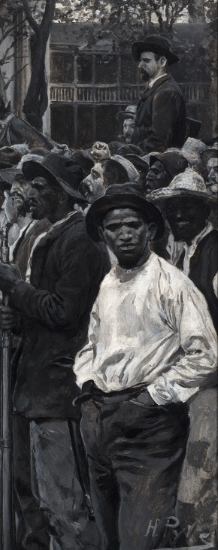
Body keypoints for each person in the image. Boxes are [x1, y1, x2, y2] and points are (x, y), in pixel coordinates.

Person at [75, 183, 217, 550]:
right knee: (108, 532)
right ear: (103, 234)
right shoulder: (108, 282)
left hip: (150, 430)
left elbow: (205, 355)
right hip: (101, 420)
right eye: (114, 227)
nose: (124, 235)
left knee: (140, 538)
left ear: (150, 230)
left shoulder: (173, 284)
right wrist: (88, 387)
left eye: (133, 225)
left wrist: (151, 398)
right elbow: (92, 343)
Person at [0, 153, 110, 550]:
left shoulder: (80, 240)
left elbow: (63, 312)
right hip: (41, 382)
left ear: (63, 195)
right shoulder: (54, 232)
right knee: (47, 495)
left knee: (66, 502)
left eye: (42, 187)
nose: (32, 194)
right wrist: (21, 320)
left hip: (60, 388)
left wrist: (15, 288)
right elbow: (46, 311)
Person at [151, 169, 218, 545]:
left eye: (186, 209)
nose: (177, 217)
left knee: (202, 470)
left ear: (203, 212)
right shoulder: (182, 251)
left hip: (209, 382)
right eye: (172, 210)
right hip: (185, 379)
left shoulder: (214, 251)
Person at [130, 34, 186, 152]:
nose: (140, 65)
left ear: (162, 61)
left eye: (146, 60)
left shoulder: (166, 92)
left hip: (155, 162)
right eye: (140, 61)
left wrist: (130, 151)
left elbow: (159, 141)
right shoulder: (156, 89)